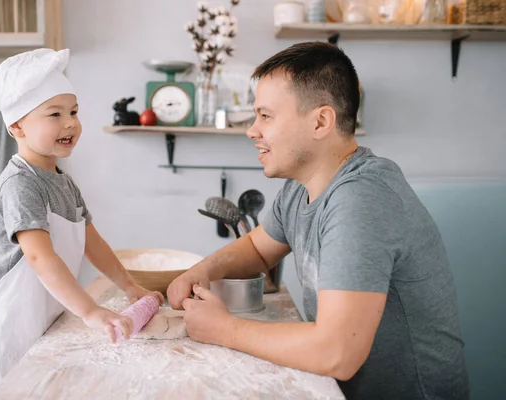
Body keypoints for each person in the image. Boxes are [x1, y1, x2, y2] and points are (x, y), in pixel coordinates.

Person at [167, 41, 469, 400]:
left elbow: (337, 353)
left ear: (321, 121)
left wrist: (224, 329)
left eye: (265, 116)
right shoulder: (302, 187)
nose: (252, 130)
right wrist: (201, 271)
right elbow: (258, 249)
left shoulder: (361, 198)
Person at [0, 48, 164, 400]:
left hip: (43, 314)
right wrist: (90, 311)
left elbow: (91, 241)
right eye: (54, 114)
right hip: (11, 322)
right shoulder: (20, 185)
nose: (70, 123)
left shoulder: (63, 181)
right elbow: (40, 258)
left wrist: (130, 286)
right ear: (17, 126)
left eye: (73, 112)